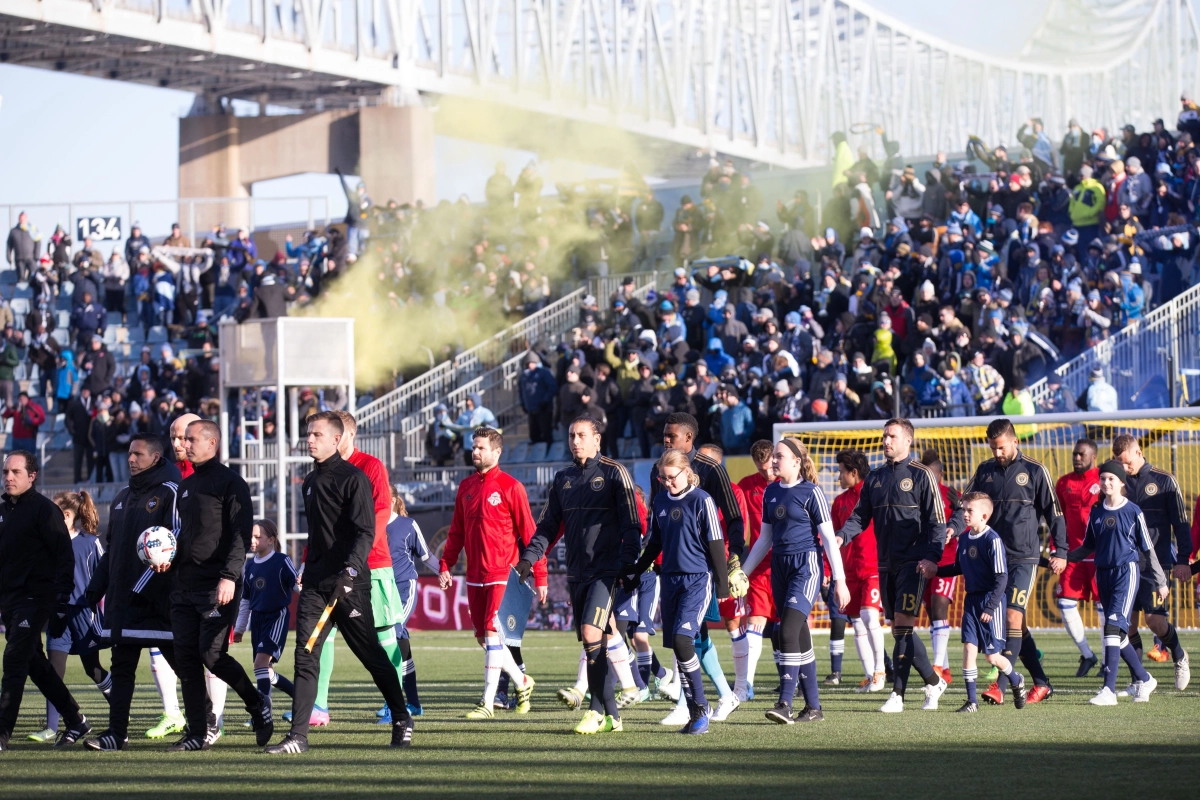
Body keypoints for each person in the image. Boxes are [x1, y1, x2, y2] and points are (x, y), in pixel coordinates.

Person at [265, 412, 412, 754]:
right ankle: (298, 737)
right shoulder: (309, 482)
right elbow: (318, 535)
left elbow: (365, 531)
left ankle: (402, 717)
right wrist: (306, 565)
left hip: (348, 584)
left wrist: (349, 572)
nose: (310, 440)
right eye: (308, 434)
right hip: (316, 585)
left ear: (337, 439)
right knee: (305, 655)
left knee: (372, 656)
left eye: (316, 434)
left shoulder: (354, 478)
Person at [517, 418, 642, 734]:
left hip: (607, 570)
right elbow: (547, 527)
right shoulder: (563, 479)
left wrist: (629, 563)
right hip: (577, 573)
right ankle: (613, 716)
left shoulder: (615, 473)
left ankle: (595, 711)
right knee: (599, 641)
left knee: (591, 634)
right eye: (572, 435)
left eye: (582, 435)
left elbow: (631, 523)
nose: (575, 440)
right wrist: (530, 558)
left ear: (597, 439)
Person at [163, 419, 271, 752]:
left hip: (217, 584)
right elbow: (187, 535)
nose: (184, 444)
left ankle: (256, 704)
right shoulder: (186, 486)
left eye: (191, 439)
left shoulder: (231, 484)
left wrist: (229, 576)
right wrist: (170, 555)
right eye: (183, 439)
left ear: (212, 443)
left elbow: (240, 536)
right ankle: (198, 732)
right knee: (184, 658)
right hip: (184, 583)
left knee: (211, 655)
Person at [948, 419, 1067, 706]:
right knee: (1016, 625)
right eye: (992, 448)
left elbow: (1055, 513)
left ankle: (1001, 686)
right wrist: (953, 526)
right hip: (992, 558)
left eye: (1001, 447)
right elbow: (967, 503)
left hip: (1023, 557)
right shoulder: (985, 471)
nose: (997, 453)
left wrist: (1060, 550)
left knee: (1012, 618)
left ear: (1015, 441)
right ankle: (1041, 682)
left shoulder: (1035, 471)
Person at [836, 418, 948, 713]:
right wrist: (841, 536)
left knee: (902, 624)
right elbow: (860, 516)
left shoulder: (922, 476)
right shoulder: (874, 478)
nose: (886, 441)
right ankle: (934, 682)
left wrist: (932, 557)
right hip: (885, 564)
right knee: (901, 631)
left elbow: (938, 522)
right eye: (884, 436)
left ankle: (897, 694)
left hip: (914, 563)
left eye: (892, 436)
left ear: (907, 441)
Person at [306, 410, 410, 728]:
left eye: (321, 434)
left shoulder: (370, 466)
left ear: (347, 435)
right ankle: (318, 706)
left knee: (382, 635)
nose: (314, 440)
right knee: (320, 636)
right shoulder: (319, 473)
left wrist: (357, 557)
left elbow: (379, 513)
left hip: (371, 564)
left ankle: (395, 705)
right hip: (327, 571)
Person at [82, 434, 186, 750]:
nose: (131, 459)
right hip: (123, 603)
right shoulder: (122, 496)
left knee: (183, 665)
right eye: (129, 453)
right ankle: (116, 733)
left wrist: (142, 586)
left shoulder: (171, 493)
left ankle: (202, 725)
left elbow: (176, 542)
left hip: (158, 602)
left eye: (138, 454)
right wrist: (92, 593)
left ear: (155, 458)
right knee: (122, 667)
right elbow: (112, 551)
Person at [437, 427, 545, 719]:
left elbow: (532, 535)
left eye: (481, 448)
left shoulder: (511, 487)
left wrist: (542, 575)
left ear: (497, 452)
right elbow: (456, 532)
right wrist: (445, 563)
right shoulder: (466, 487)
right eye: (474, 447)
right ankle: (523, 681)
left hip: (503, 573)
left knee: (493, 632)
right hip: (474, 574)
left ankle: (487, 702)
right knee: (485, 640)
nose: (475, 452)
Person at [739, 438, 846, 723]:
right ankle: (813, 708)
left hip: (806, 567)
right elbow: (764, 539)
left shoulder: (812, 492)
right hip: (779, 568)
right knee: (798, 636)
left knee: (784, 632)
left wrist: (840, 580)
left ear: (797, 462)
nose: (774, 461)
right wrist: (743, 573)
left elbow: (828, 539)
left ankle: (785, 702)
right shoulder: (771, 492)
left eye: (780, 456)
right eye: (773, 456)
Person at [627, 449, 730, 734]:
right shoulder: (660, 501)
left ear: (687, 472)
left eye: (672, 477)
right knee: (678, 646)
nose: (667, 482)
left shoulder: (702, 500)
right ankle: (697, 709)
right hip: (669, 581)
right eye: (663, 478)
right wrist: (638, 569)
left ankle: (699, 708)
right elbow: (656, 543)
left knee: (685, 641)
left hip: (697, 579)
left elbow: (715, 543)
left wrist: (721, 584)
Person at [0, 451, 91, 751]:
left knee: (14, 660)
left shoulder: (44, 510)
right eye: (5, 472)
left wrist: (61, 601)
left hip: (37, 598)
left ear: (32, 475)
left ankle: (2, 734)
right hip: (10, 600)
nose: (9, 477)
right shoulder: (3, 510)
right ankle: (75, 719)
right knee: (34, 664)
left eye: (15, 472)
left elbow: (64, 557)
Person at [1066, 461, 1167, 706]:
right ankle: (1144, 678)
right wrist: (1063, 558)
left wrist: (1160, 580)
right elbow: (1088, 546)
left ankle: (1108, 691)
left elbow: (1147, 548)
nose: (1106, 482)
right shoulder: (1097, 511)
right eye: (1103, 479)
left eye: (1112, 478)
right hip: (1104, 574)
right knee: (1117, 634)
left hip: (1126, 572)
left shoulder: (1133, 511)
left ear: (1122, 482)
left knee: (1112, 627)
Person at [27, 491, 111, 743]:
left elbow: (103, 573)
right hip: (58, 613)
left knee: (92, 669)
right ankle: (53, 727)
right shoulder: (48, 542)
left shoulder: (89, 542)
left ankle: (119, 708)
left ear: (66, 515)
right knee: (52, 672)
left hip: (84, 614)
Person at [1111, 434, 1192, 690]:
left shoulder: (1163, 480)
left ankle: (1179, 655)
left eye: (1126, 463)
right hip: (1125, 565)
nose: (1123, 469)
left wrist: (1183, 560)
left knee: (1155, 622)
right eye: (1118, 463)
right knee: (1128, 625)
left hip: (1154, 565)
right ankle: (1140, 679)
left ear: (1138, 452)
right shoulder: (1116, 483)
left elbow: (1181, 524)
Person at [936, 493, 1027, 713]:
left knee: (992, 656)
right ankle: (972, 701)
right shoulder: (965, 538)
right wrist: (935, 571)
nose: (965, 515)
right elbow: (958, 567)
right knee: (968, 648)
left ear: (984, 515)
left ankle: (1016, 679)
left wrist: (991, 607)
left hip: (990, 601)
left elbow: (1002, 577)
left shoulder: (992, 540)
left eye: (970, 511)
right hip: (971, 601)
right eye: (963, 510)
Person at [831, 449, 887, 694]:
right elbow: (832, 539)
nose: (838, 477)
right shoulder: (839, 502)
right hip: (849, 571)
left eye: (841, 472)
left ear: (854, 473)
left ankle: (881, 672)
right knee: (857, 623)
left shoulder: (875, 494)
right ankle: (869, 676)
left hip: (873, 566)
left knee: (869, 617)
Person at [383, 488, 440, 718]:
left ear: (394, 500)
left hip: (404, 588)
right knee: (400, 642)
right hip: (380, 591)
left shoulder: (407, 525)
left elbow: (425, 555)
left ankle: (392, 705)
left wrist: (442, 572)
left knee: (391, 633)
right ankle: (414, 704)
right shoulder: (371, 526)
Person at [233, 520, 297, 714]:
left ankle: (263, 711)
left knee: (260, 663)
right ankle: (300, 697)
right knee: (264, 670)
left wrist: (303, 582)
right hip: (258, 621)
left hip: (276, 617)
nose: (252, 540)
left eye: (257, 537)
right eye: (251, 536)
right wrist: (240, 627)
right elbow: (245, 601)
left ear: (270, 540)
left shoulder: (281, 560)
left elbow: (296, 585)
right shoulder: (250, 566)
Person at [1054, 439, 1102, 677]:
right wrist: (1056, 548)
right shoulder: (1063, 483)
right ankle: (1087, 654)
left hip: (1100, 556)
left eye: (1081, 454)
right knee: (1065, 604)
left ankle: (1107, 663)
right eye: (1074, 454)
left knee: (1103, 608)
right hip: (1072, 555)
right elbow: (1057, 519)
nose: (1076, 458)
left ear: (1093, 456)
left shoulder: (1105, 479)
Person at [734, 440, 777, 701]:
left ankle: (793, 679)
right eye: (762, 470)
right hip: (759, 566)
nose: (768, 474)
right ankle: (745, 685)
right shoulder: (747, 486)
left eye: (770, 467)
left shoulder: (791, 482)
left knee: (790, 629)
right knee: (755, 622)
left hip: (788, 564)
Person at [920, 451, 962, 686]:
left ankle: (937, 665)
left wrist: (952, 530)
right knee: (931, 614)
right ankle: (944, 669)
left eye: (932, 475)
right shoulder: (917, 495)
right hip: (923, 560)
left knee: (939, 606)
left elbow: (963, 518)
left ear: (941, 475)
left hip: (946, 560)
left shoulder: (951, 495)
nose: (928, 480)